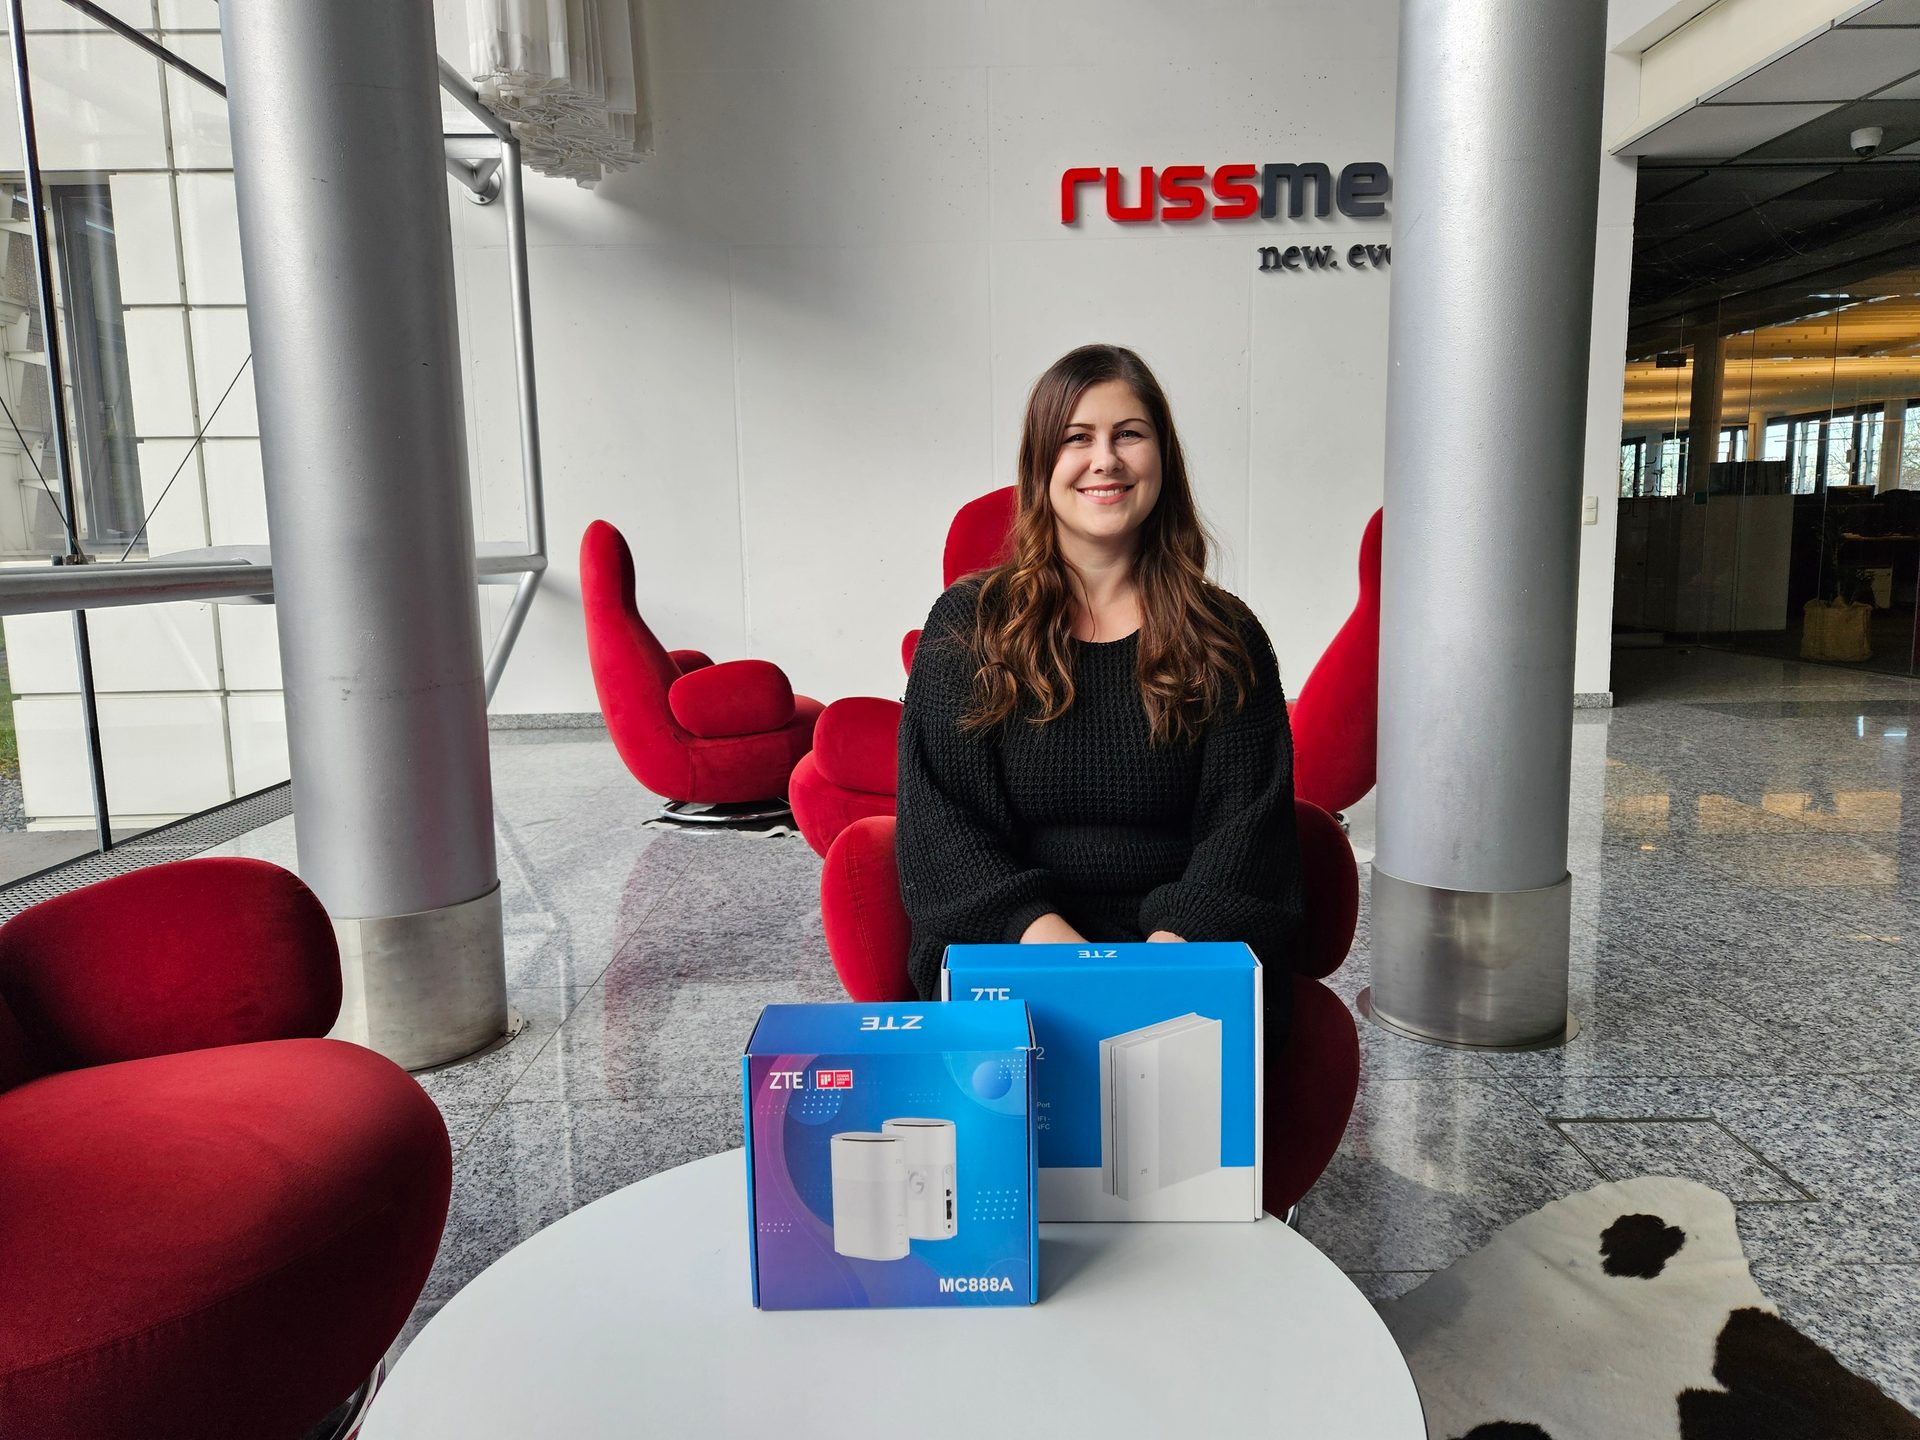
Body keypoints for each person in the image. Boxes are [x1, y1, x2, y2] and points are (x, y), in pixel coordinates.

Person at [895, 343, 1304, 1041]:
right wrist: (1068, 963)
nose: (1105, 460)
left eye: (1129, 435)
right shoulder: (970, 625)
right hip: (1013, 945)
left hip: (1184, 951)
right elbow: (940, 826)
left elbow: (1248, 829)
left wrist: (1154, 968)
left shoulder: (1225, 634)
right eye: (1076, 438)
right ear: (1040, 463)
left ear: (1163, 459)